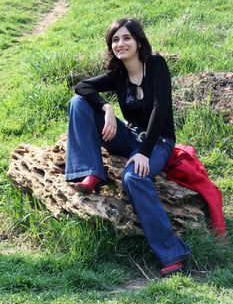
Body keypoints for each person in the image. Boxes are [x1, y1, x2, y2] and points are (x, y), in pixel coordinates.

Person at [65, 18, 190, 276]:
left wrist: (144, 152)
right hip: (128, 136)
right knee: (78, 103)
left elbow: (160, 109)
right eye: (115, 39)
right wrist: (106, 107)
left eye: (126, 38)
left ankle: (171, 252)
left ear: (139, 42)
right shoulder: (118, 75)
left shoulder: (156, 65)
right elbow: (82, 86)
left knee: (133, 177)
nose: (120, 43)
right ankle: (91, 171)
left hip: (158, 142)